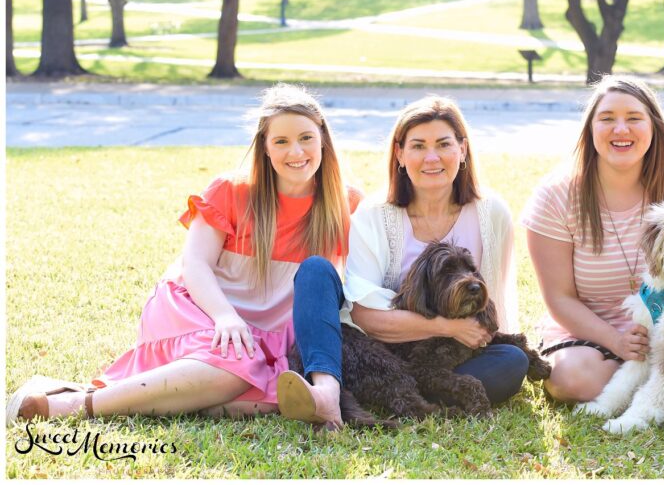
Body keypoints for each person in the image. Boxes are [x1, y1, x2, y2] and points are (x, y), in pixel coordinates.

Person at [6, 83, 362, 425]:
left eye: (306, 139)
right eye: (281, 141)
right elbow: (196, 263)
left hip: (270, 331)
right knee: (237, 369)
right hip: (203, 308)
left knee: (263, 396)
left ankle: (138, 394)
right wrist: (225, 317)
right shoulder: (232, 190)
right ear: (265, 148)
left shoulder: (345, 204)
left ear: (323, 140)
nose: (295, 152)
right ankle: (76, 404)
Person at [278, 95, 525, 429]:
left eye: (443, 144)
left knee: (511, 363)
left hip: (445, 355)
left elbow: (488, 306)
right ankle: (335, 389)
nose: (432, 157)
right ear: (400, 154)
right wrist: (446, 326)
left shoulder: (490, 212)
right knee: (315, 271)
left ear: (463, 150)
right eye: (418, 146)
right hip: (373, 348)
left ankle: (409, 390)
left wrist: (470, 336)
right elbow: (364, 316)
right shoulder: (374, 215)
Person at [521, 75, 664, 404]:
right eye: (607, 119)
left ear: (653, 127)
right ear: (590, 129)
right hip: (589, 333)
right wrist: (617, 341)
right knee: (572, 381)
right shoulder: (556, 197)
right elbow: (560, 299)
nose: (620, 130)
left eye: (634, 119)